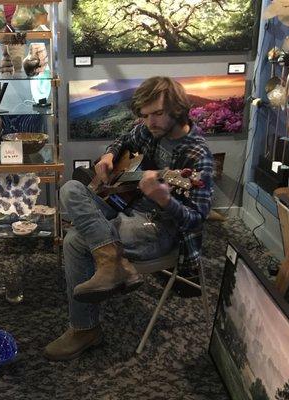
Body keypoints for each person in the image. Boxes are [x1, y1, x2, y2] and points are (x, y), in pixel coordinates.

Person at [44, 76, 213, 361]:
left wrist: (164, 198)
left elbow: (195, 220)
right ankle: (113, 262)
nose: (151, 122)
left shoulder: (198, 155)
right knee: (70, 188)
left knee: (75, 240)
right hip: (125, 202)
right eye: (145, 116)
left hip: (159, 227)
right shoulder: (149, 131)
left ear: (177, 109)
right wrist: (110, 156)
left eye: (158, 113)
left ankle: (85, 328)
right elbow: (123, 139)